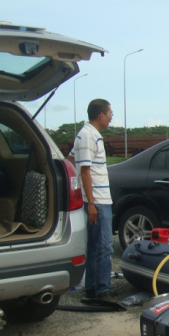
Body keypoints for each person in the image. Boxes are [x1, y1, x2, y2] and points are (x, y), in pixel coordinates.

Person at [68, 99, 115, 302]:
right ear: (101, 115)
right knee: (105, 246)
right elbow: (85, 170)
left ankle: (92, 288)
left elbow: (70, 160)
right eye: (110, 113)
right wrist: (92, 203)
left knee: (95, 246)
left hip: (97, 198)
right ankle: (102, 290)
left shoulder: (87, 135)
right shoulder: (88, 135)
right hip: (98, 200)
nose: (111, 117)